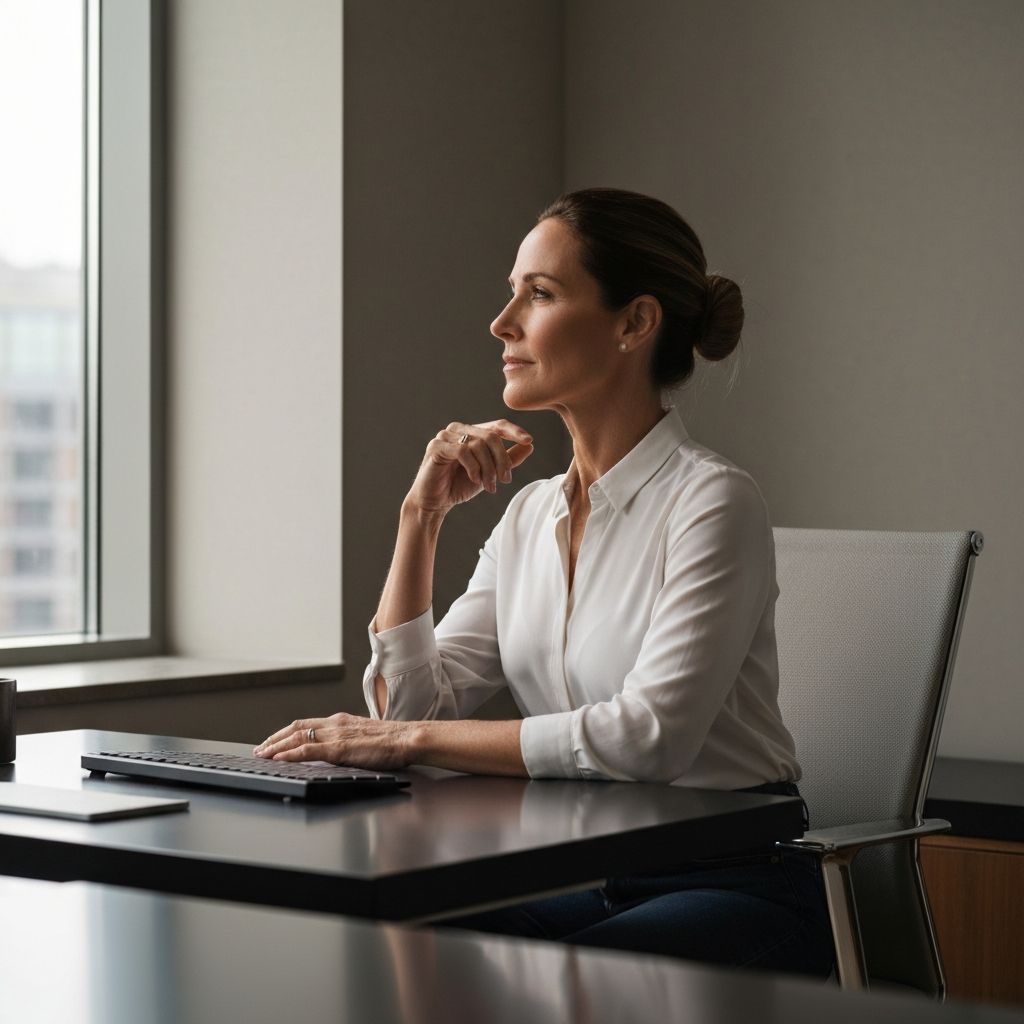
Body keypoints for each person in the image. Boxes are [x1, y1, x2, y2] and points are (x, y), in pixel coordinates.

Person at [255, 187, 834, 976]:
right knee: (392, 939)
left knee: (549, 985)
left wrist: (406, 740)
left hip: (738, 882)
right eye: (512, 293)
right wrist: (419, 517)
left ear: (635, 322)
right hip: (586, 873)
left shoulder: (713, 501)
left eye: (540, 294)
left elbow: (647, 737)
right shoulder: (529, 514)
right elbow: (410, 707)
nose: (503, 323)